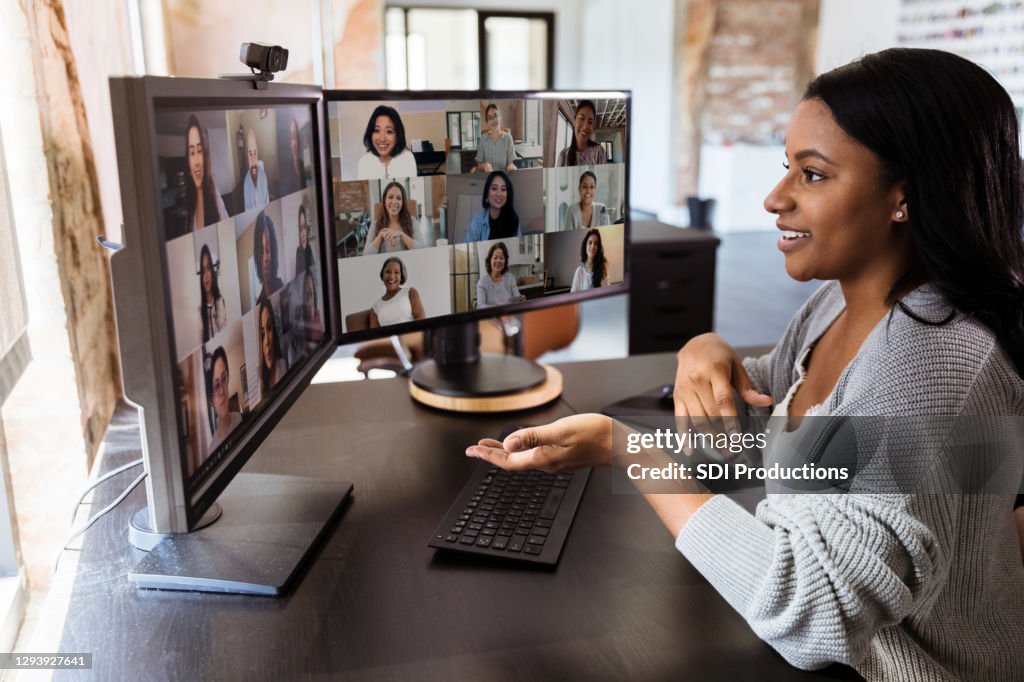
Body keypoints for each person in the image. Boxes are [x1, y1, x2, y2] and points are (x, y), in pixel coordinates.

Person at [467, 48, 1024, 681]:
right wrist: (705, 350)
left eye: (812, 175)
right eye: (786, 168)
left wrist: (627, 452)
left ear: (905, 196)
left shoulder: (937, 366)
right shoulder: (836, 308)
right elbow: (781, 417)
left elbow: (817, 615)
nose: (773, 198)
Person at [183, 115, 228, 232]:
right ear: (188, 161)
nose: (197, 161)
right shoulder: (188, 206)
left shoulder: (214, 194)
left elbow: (226, 229)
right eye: (192, 153)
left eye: (199, 151)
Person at [357, 105, 418, 180]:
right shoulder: (364, 162)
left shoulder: (408, 158)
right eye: (376, 130)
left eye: (389, 131)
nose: (382, 139)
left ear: (398, 135)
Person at [364, 181, 422, 254]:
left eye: (398, 198)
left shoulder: (412, 221)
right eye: (390, 197)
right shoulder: (375, 225)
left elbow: (422, 248)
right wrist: (380, 236)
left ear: (402, 202)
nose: (394, 202)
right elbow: (366, 254)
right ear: (384, 200)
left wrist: (402, 235)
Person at [369, 256, 425, 328]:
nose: (392, 276)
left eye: (396, 272)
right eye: (388, 272)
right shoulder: (375, 308)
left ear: (401, 276)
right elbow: (374, 336)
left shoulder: (410, 293)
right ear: (382, 275)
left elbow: (422, 321)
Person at [465, 171, 519, 242]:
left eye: (503, 189)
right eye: (494, 188)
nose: (499, 194)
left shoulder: (513, 219)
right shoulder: (477, 222)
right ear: (487, 193)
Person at [206, 346, 242, 452]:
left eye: (223, 378)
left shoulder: (238, 417)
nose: (222, 391)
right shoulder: (212, 449)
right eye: (216, 385)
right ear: (211, 398)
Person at [556, 100, 607, 167]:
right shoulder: (563, 156)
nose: (585, 126)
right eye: (582, 119)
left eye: (590, 122)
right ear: (574, 121)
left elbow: (604, 177)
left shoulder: (599, 152)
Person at [475, 241, 525, 309]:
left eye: (501, 258)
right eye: (495, 257)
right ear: (490, 260)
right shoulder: (482, 283)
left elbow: (517, 298)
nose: (498, 261)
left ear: (505, 261)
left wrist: (521, 299)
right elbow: (480, 307)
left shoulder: (510, 278)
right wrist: (502, 306)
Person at [472, 103, 516, 174]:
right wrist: (484, 165)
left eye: (495, 116)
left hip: (503, 179)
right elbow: (479, 164)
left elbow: (511, 163)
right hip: (487, 178)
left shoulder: (508, 138)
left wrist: (511, 165)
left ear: (500, 118)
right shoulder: (483, 139)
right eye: (489, 118)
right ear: (487, 122)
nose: (493, 120)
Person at [197, 244, 227, 342]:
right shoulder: (199, 311)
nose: (206, 275)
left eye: (209, 268)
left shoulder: (220, 301)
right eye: (203, 270)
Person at [253, 212, 285, 304]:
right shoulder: (259, 302)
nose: (265, 259)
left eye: (267, 249)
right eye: (261, 252)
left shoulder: (281, 287)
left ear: (273, 251)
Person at [257, 298, 287, 396]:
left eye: (269, 327)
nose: (266, 342)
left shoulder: (283, 365)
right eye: (262, 334)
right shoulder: (260, 385)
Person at [570, 228, 609, 293]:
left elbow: (607, 293)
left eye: (596, 243)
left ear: (598, 247)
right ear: (585, 245)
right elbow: (572, 295)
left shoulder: (603, 269)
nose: (593, 246)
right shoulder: (579, 272)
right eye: (590, 242)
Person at [242, 127, 270, 211]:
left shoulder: (263, 175)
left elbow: (267, 201)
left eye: (255, 153)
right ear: (247, 156)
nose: (253, 159)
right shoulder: (246, 181)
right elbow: (247, 208)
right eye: (250, 154)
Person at [280, 118, 308, 196]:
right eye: (293, 137)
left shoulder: (306, 167)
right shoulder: (285, 170)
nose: (295, 143)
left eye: (298, 138)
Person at [294, 205, 314, 274]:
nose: (303, 234)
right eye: (300, 229)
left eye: (304, 227)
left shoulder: (309, 248)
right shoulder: (298, 251)